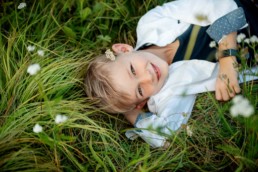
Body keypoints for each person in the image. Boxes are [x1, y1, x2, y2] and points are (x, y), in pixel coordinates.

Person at [84, 0, 258, 147]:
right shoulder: (167, 92)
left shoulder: (151, 24)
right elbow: (165, 136)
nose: (147, 77)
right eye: (140, 90)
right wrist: (129, 112)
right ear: (142, 102)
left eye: (132, 70)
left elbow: (225, 6)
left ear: (123, 49)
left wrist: (227, 61)